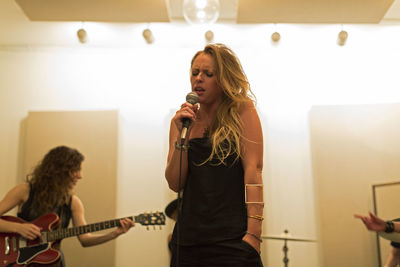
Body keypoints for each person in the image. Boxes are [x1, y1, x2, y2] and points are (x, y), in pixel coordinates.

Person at [165, 43, 264, 267]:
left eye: (208, 74)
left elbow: (254, 171)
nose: (198, 78)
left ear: (223, 79)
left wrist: (254, 233)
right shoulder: (181, 122)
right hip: (188, 241)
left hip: (232, 239)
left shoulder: (242, 110)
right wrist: (183, 138)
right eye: (195, 73)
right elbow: (174, 183)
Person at [0, 145, 134, 267]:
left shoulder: (73, 202)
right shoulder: (24, 190)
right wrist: (18, 228)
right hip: (16, 259)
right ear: (59, 170)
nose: (80, 176)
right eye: (76, 170)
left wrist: (115, 234)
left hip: (51, 262)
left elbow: (85, 239)